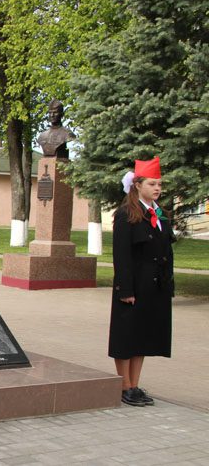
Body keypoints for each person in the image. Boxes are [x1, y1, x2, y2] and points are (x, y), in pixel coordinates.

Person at [109, 156, 174, 407]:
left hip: (154, 285)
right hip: (133, 285)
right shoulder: (126, 214)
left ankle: (134, 385)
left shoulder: (160, 214)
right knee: (126, 336)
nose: (157, 189)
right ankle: (123, 385)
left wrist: (168, 283)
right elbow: (122, 254)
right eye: (152, 184)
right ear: (137, 185)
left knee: (143, 336)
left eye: (159, 184)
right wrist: (125, 288)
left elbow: (167, 252)